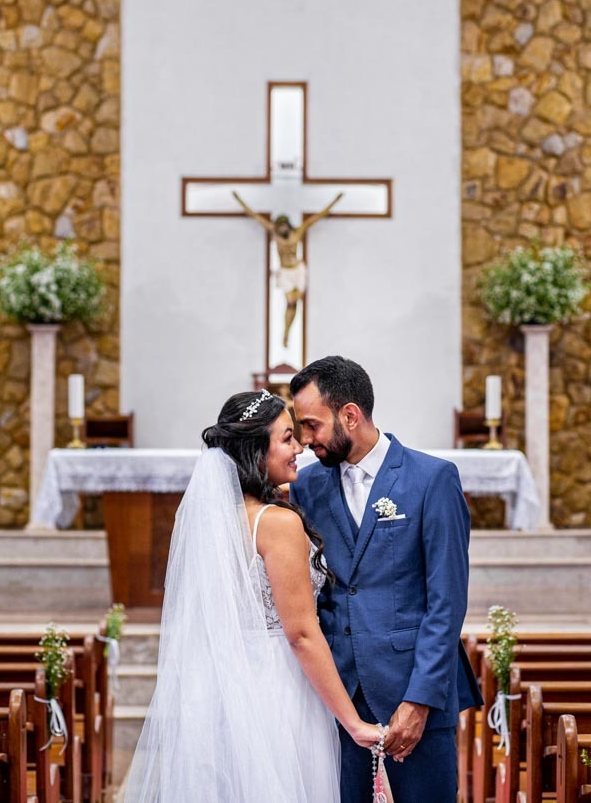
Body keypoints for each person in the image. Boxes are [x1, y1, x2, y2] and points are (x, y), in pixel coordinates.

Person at [124, 388, 380, 802]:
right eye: (286, 439)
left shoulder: (213, 521)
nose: (299, 448)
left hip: (222, 686)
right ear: (256, 452)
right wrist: (353, 723)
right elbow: (301, 634)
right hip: (278, 687)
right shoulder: (276, 523)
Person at [289, 356, 484, 803]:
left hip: (414, 691)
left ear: (350, 415)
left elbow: (446, 602)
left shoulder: (431, 479)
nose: (305, 440)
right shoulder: (307, 487)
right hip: (338, 698)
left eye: (312, 425)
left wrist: (420, 700)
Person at [233, 190, 343, 346]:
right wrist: (239, 200)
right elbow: (255, 216)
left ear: (288, 225)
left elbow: (317, 217)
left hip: (298, 270)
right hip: (285, 271)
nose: (282, 229)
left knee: (295, 303)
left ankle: (288, 331)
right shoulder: (274, 232)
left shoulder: (297, 232)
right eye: (280, 227)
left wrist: (335, 201)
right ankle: (285, 333)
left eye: (284, 226)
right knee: (290, 302)